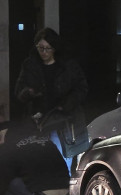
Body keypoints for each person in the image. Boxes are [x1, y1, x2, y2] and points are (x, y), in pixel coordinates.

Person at [14, 27, 89, 167]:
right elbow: (19, 91)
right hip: (38, 120)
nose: (44, 52)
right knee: (39, 161)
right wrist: (29, 92)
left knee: (62, 159)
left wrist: (66, 105)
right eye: (40, 48)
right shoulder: (30, 65)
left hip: (63, 120)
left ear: (54, 48)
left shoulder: (68, 65)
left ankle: (63, 185)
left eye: (48, 48)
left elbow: (81, 88)